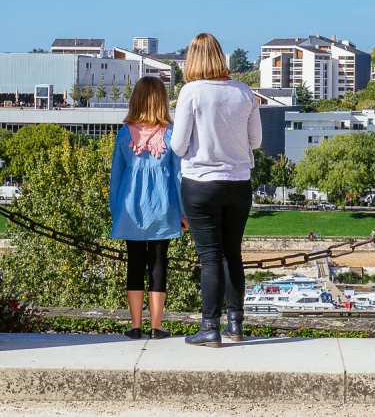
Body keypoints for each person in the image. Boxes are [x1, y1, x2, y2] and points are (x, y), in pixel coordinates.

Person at [171, 33, 262, 347]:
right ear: (221, 57)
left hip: (200, 183)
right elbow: (256, 142)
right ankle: (235, 324)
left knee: (210, 257)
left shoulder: (191, 92)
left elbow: (179, 145)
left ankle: (210, 326)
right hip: (238, 183)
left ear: (192, 59)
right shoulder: (244, 92)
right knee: (232, 254)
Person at [109, 76, 187, 340]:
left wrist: (115, 211)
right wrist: (184, 212)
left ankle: (135, 325)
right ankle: (156, 325)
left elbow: (116, 178)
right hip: (163, 208)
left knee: (134, 264)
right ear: (162, 101)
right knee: (158, 264)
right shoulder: (171, 134)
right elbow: (178, 176)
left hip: (130, 208)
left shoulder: (123, 134)